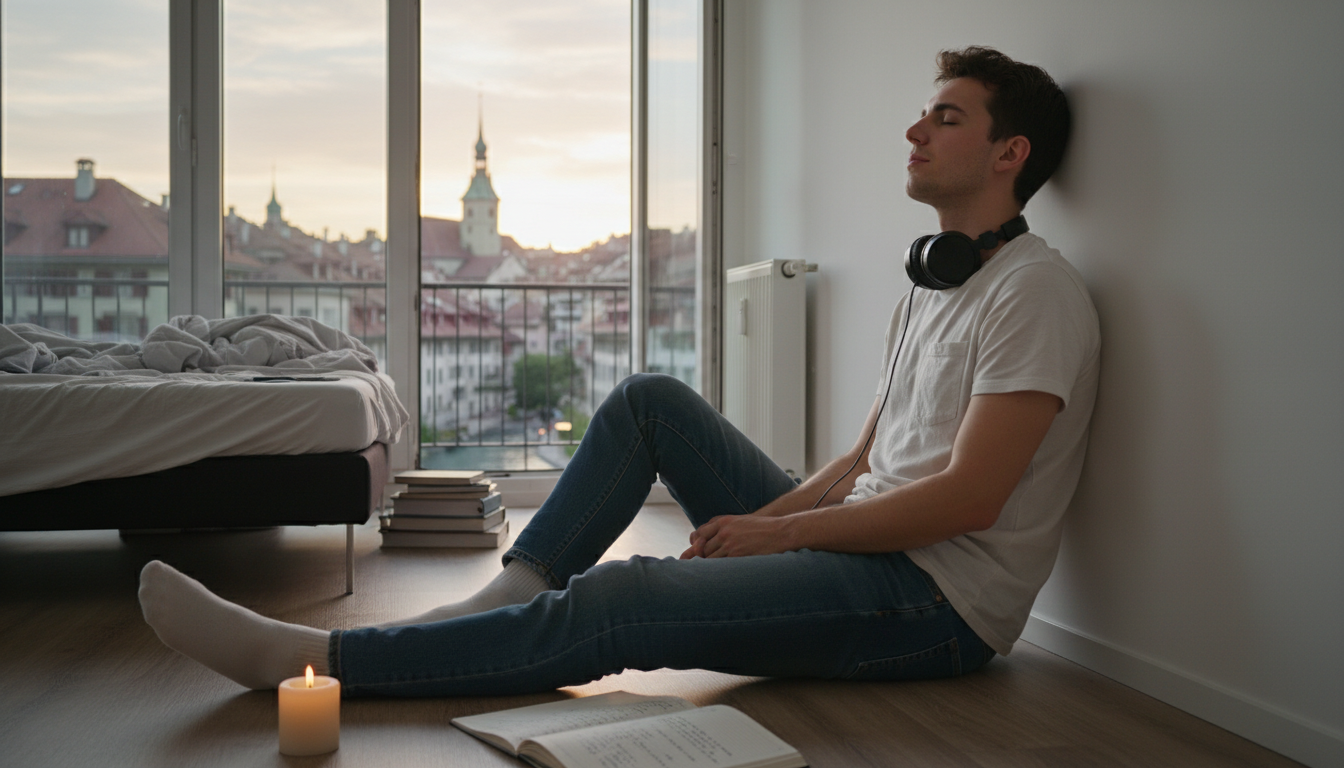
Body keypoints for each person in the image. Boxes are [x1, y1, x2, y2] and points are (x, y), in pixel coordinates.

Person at [138, 45, 1099, 697]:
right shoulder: (933, 286)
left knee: (625, 598)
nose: (914, 132)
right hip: (865, 551)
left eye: (945, 117)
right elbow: (864, 459)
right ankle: (511, 593)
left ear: (1009, 152)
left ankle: (323, 662)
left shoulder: (1034, 295)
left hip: (932, 605)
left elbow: (971, 499)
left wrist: (784, 538)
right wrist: (764, 526)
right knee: (652, 401)